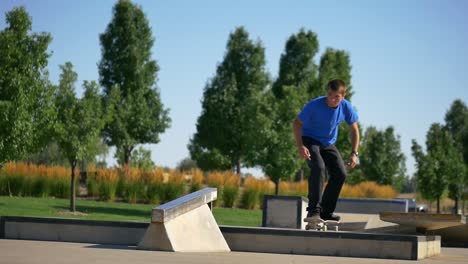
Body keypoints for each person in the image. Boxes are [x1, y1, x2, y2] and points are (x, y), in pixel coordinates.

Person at [292, 79, 360, 221]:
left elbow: (354, 130)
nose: (332, 100)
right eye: (330, 95)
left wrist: (354, 153)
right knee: (319, 167)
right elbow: (297, 123)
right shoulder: (314, 105)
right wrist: (300, 146)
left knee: (340, 173)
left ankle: (326, 212)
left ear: (343, 96)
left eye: (337, 97)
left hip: (327, 143)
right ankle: (313, 211)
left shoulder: (346, 107)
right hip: (309, 139)